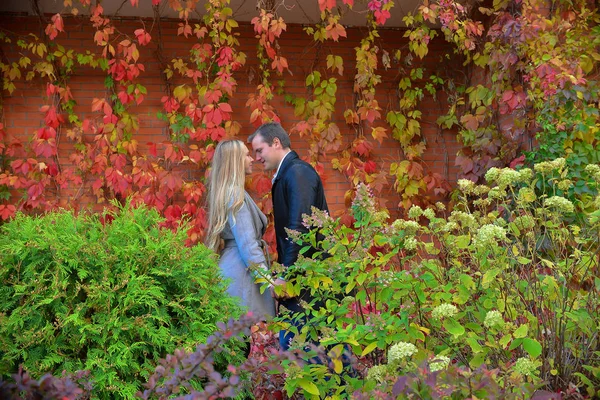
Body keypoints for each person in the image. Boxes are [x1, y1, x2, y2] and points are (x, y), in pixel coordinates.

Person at [249, 122, 329, 350]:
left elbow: (299, 227)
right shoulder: (289, 173)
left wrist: (286, 275)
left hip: (308, 282)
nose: (256, 158)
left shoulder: (297, 173)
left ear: (276, 143)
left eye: (259, 150)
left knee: (303, 349)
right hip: (302, 280)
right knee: (300, 347)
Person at [205, 140, 275, 319]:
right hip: (242, 276)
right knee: (243, 341)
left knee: (234, 341)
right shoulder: (235, 195)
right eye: (246, 155)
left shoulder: (227, 192)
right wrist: (268, 282)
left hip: (232, 271)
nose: (252, 159)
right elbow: (248, 246)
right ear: (235, 160)